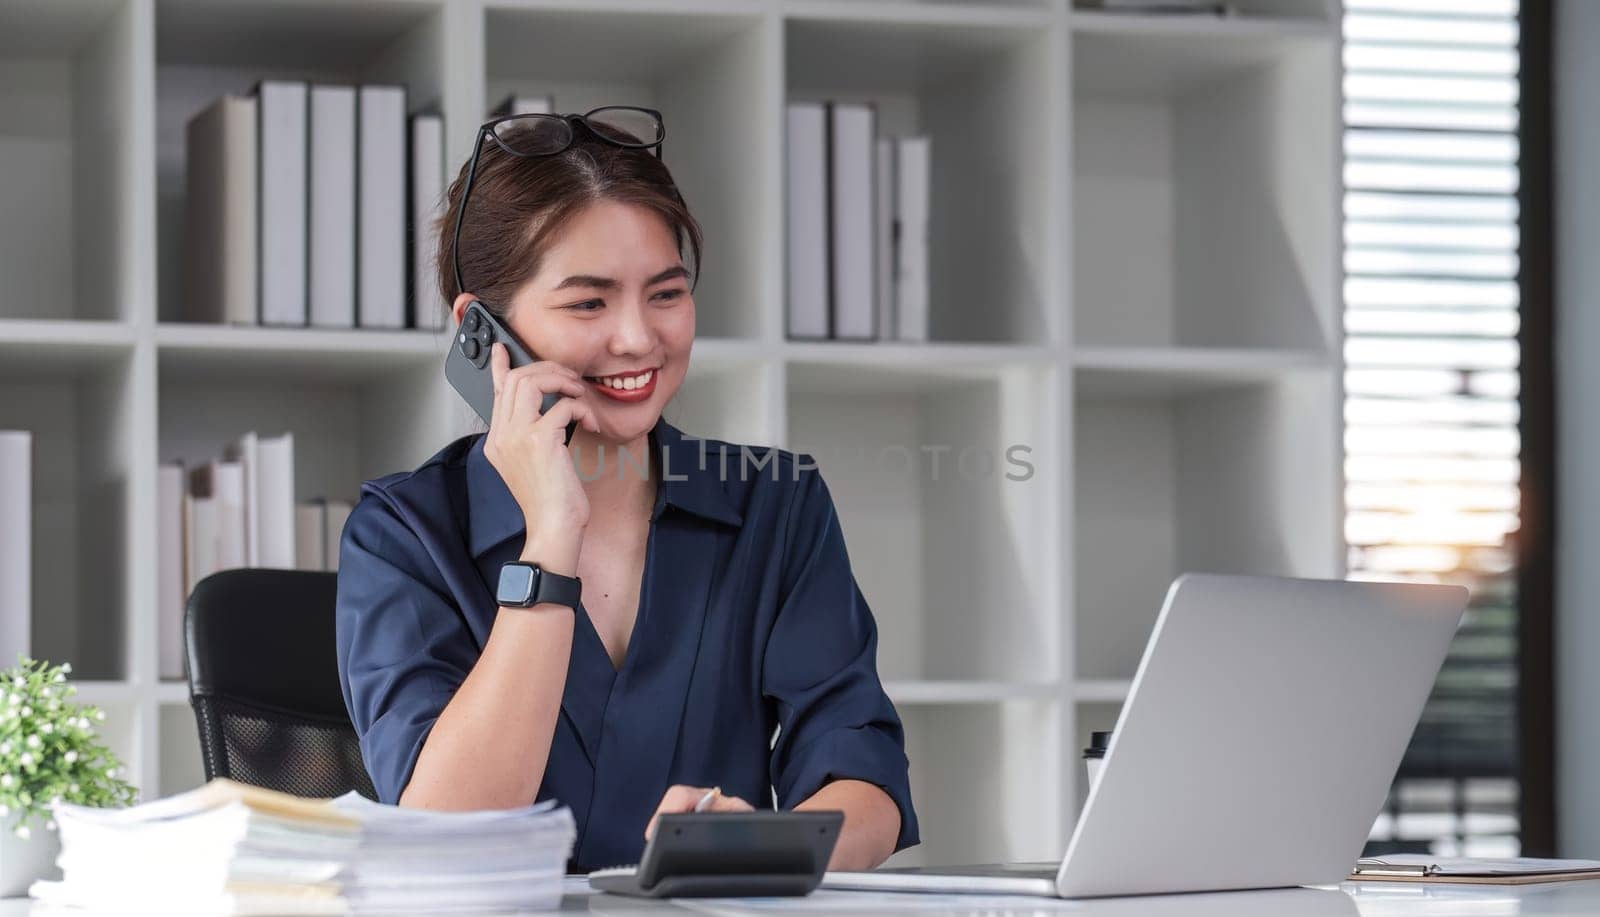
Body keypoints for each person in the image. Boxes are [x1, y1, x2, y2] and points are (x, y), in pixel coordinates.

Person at [334, 107, 919, 873]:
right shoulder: (404, 533)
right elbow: (451, 834)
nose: (639, 338)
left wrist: (750, 848)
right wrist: (550, 539)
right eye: (589, 302)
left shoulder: (775, 503)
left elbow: (865, 780)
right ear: (481, 331)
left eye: (666, 294)